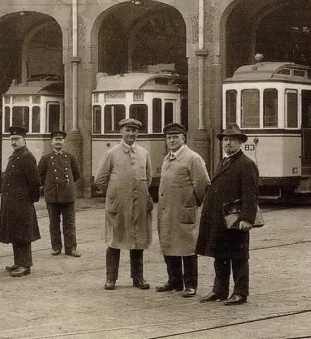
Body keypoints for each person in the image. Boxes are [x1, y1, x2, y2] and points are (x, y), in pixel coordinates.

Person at [196, 123, 260, 306]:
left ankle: (240, 292)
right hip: (220, 218)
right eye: (225, 140)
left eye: (232, 140)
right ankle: (219, 290)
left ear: (240, 142)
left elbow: (251, 194)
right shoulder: (224, 161)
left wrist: (247, 218)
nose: (228, 143)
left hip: (236, 218)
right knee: (220, 255)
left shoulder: (246, 164)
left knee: (238, 257)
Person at [94, 117, 154, 290]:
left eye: (134, 130)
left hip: (139, 205)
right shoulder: (111, 154)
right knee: (115, 241)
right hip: (118, 206)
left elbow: (148, 178)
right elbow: (100, 179)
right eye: (127, 130)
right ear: (121, 132)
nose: (131, 134)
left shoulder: (144, 153)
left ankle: (138, 278)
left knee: (138, 241)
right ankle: (111, 278)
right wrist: (115, 194)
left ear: (138, 133)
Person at [156, 123, 210, 298]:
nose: (171, 141)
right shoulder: (168, 158)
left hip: (184, 210)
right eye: (169, 137)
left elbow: (202, 184)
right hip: (167, 212)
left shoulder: (193, 158)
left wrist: (193, 203)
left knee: (187, 247)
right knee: (169, 244)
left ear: (183, 138)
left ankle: (190, 284)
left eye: (175, 137)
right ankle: (174, 281)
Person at [0, 126, 41, 277]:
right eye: (12, 139)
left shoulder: (27, 156)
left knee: (23, 234)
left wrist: (30, 201)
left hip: (22, 203)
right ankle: (18, 262)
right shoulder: (16, 155)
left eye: (17, 139)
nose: (14, 142)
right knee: (16, 233)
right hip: (12, 204)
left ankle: (25, 265)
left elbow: (34, 182)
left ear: (24, 140)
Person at [37, 129, 81, 257]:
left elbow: (76, 174)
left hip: (68, 195)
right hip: (52, 195)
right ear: (51, 142)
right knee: (54, 223)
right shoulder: (45, 158)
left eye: (61, 140)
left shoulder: (70, 157)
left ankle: (71, 248)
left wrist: (68, 186)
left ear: (64, 141)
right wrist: (48, 186)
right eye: (56, 140)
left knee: (70, 223)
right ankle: (56, 247)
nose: (58, 142)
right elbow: (39, 175)